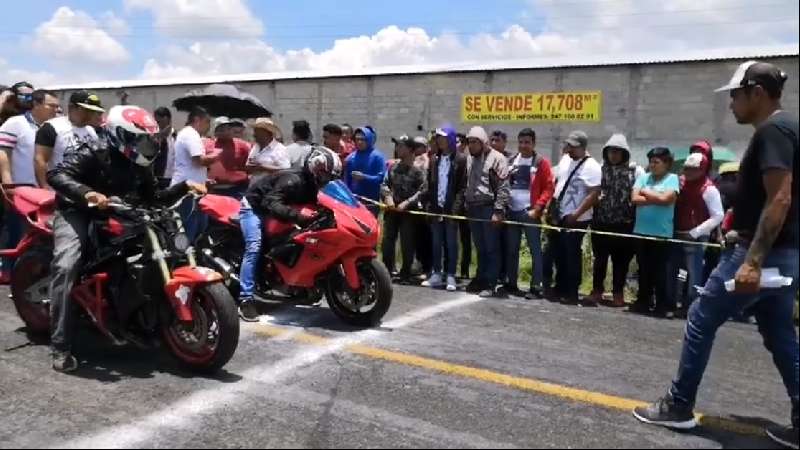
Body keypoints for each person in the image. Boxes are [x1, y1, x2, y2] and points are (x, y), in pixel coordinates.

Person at [634, 61, 799, 449]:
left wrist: (753, 260)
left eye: (736, 95)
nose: (731, 104)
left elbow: (781, 196)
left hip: (760, 253)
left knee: (700, 317)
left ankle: (678, 405)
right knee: (779, 333)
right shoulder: (791, 129)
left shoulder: (773, 131)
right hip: (788, 253)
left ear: (757, 93)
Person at [46, 105, 207, 372]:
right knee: (66, 264)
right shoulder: (93, 151)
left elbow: (152, 197)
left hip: (119, 212)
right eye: (140, 138)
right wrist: (87, 193)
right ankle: (60, 346)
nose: (146, 145)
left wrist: (183, 187)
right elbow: (57, 174)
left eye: (148, 139)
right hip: (77, 210)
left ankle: (139, 319)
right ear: (119, 135)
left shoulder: (139, 163)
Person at [237, 147, 342, 321]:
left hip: (280, 208)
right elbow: (270, 202)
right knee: (254, 246)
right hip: (255, 207)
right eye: (325, 176)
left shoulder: (314, 185)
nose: (327, 180)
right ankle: (246, 299)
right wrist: (298, 217)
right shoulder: (292, 181)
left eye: (331, 177)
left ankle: (299, 283)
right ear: (314, 169)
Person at [0, 90, 59, 282]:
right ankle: (9, 271)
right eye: (52, 106)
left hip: (47, 190)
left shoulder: (54, 126)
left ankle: (33, 273)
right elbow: (3, 154)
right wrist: (8, 183)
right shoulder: (15, 124)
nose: (56, 110)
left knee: (41, 236)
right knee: (17, 232)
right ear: (36, 104)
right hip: (22, 188)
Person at [542, 131, 602, 305]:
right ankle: (559, 286)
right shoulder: (566, 160)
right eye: (568, 145)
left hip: (578, 217)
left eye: (573, 146)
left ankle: (571, 291)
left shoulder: (592, 166)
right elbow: (558, 182)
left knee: (572, 255)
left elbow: (594, 194)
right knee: (556, 253)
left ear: (583, 147)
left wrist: (576, 215)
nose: (569, 149)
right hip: (559, 214)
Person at [585, 133, 644, 307]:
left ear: (625, 153)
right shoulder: (600, 169)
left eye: (618, 151)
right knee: (600, 260)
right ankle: (597, 291)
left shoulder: (635, 171)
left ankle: (618, 293)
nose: (614, 155)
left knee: (621, 262)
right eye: (611, 151)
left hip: (624, 224)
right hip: (601, 222)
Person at [630, 147, 680, 318]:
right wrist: (654, 197)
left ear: (666, 164)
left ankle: (662, 305)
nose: (652, 165)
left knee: (661, 271)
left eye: (656, 162)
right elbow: (635, 199)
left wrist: (646, 192)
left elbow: (667, 200)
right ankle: (643, 301)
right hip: (641, 231)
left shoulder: (672, 179)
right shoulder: (643, 177)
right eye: (651, 161)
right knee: (644, 269)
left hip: (662, 232)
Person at [503, 128, 554, 299]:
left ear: (533, 143)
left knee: (535, 250)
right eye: (521, 142)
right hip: (512, 211)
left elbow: (548, 188)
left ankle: (536, 286)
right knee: (511, 249)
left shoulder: (541, 162)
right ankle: (511, 282)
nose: (524, 146)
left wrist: (538, 208)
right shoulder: (511, 161)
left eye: (527, 142)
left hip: (530, 212)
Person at [671, 152, 724, 311]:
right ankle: (674, 302)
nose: (688, 172)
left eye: (693, 169)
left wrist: (695, 232)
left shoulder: (709, 189)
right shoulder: (680, 183)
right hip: (676, 233)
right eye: (686, 168)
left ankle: (693, 307)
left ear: (702, 170)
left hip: (695, 238)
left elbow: (718, 215)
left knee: (694, 274)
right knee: (675, 272)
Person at [464, 126, 510, 298]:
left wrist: (498, 210)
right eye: (469, 142)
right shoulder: (470, 159)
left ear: (483, 143)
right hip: (473, 208)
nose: (471, 146)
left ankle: (491, 282)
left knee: (492, 247)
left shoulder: (498, 159)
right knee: (480, 247)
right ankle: (480, 277)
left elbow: (503, 187)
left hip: (489, 207)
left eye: (474, 142)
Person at [421, 127, 467, 292]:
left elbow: (462, 188)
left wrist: (455, 209)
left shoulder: (461, 159)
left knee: (451, 243)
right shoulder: (434, 159)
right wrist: (429, 205)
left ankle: (451, 275)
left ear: (451, 139)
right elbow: (430, 184)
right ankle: (436, 273)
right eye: (438, 137)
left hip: (450, 209)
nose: (440, 140)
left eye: (443, 137)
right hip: (436, 208)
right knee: (436, 242)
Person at [34, 91, 104, 189]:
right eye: (87, 110)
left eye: (94, 111)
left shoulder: (91, 131)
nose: (91, 114)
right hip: (61, 188)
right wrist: (45, 187)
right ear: (72, 107)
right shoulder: (52, 127)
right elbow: (40, 159)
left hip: (85, 190)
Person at [381, 136, 426, 283]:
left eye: (401, 146)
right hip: (392, 210)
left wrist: (406, 203)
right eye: (397, 146)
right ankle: (388, 270)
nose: (397, 149)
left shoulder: (418, 170)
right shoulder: (393, 166)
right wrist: (388, 198)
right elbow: (385, 184)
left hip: (408, 212)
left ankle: (406, 272)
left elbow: (423, 191)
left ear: (411, 150)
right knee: (388, 240)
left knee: (407, 242)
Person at [171, 106, 219, 241]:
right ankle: (185, 258)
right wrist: (216, 155)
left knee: (199, 227)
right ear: (197, 120)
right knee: (189, 229)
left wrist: (204, 179)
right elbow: (199, 160)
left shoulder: (189, 134)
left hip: (195, 189)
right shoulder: (190, 134)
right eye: (207, 122)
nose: (209, 126)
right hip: (187, 191)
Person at [344, 126, 386, 217]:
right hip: (353, 202)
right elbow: (346, 180)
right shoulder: (350, 158)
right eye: (357, 139)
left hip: (371, 202)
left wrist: (364, 177)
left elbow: (381, 178)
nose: (359, 142)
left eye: (363, 139)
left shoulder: (377, 157)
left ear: (369, 139)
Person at [205, 117, 251, 199]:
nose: (228, 131)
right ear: (216, 132)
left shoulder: (242, 145)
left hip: (238, 188)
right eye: (223, 129)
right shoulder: (208, 146)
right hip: (214, 189)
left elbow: (250, 166)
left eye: (229, 128)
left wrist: (238, 171)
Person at [246, 118, 290, 183]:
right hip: (254, 187)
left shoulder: (279, 149)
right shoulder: (256, 147)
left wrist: (263, 167)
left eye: (257, 132)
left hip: (270, 188)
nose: (254, 135)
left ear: (266, 133)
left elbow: (285, 170)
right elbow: (249, 165)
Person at [152, 107, 177, 181]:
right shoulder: (154, 136)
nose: (156, 124)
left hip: (173, 177)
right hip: (158, 177)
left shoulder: (176, 136)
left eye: (158, 121)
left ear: (166, 119)